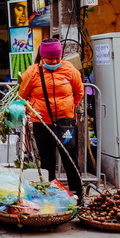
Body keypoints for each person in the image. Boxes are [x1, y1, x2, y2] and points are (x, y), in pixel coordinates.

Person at [19, 38, 84, 201]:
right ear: (42, 57)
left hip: (66, 124)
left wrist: (67, 109)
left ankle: (77, 197)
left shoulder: (70, 70)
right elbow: (22, 97)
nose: (54, 61)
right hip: (42, 124)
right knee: (47, 162)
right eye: (50, 58)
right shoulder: (32, 72)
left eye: (57, 58)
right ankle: (50, 198)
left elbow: (79, 93)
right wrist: (33, 114)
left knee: (71, 161)